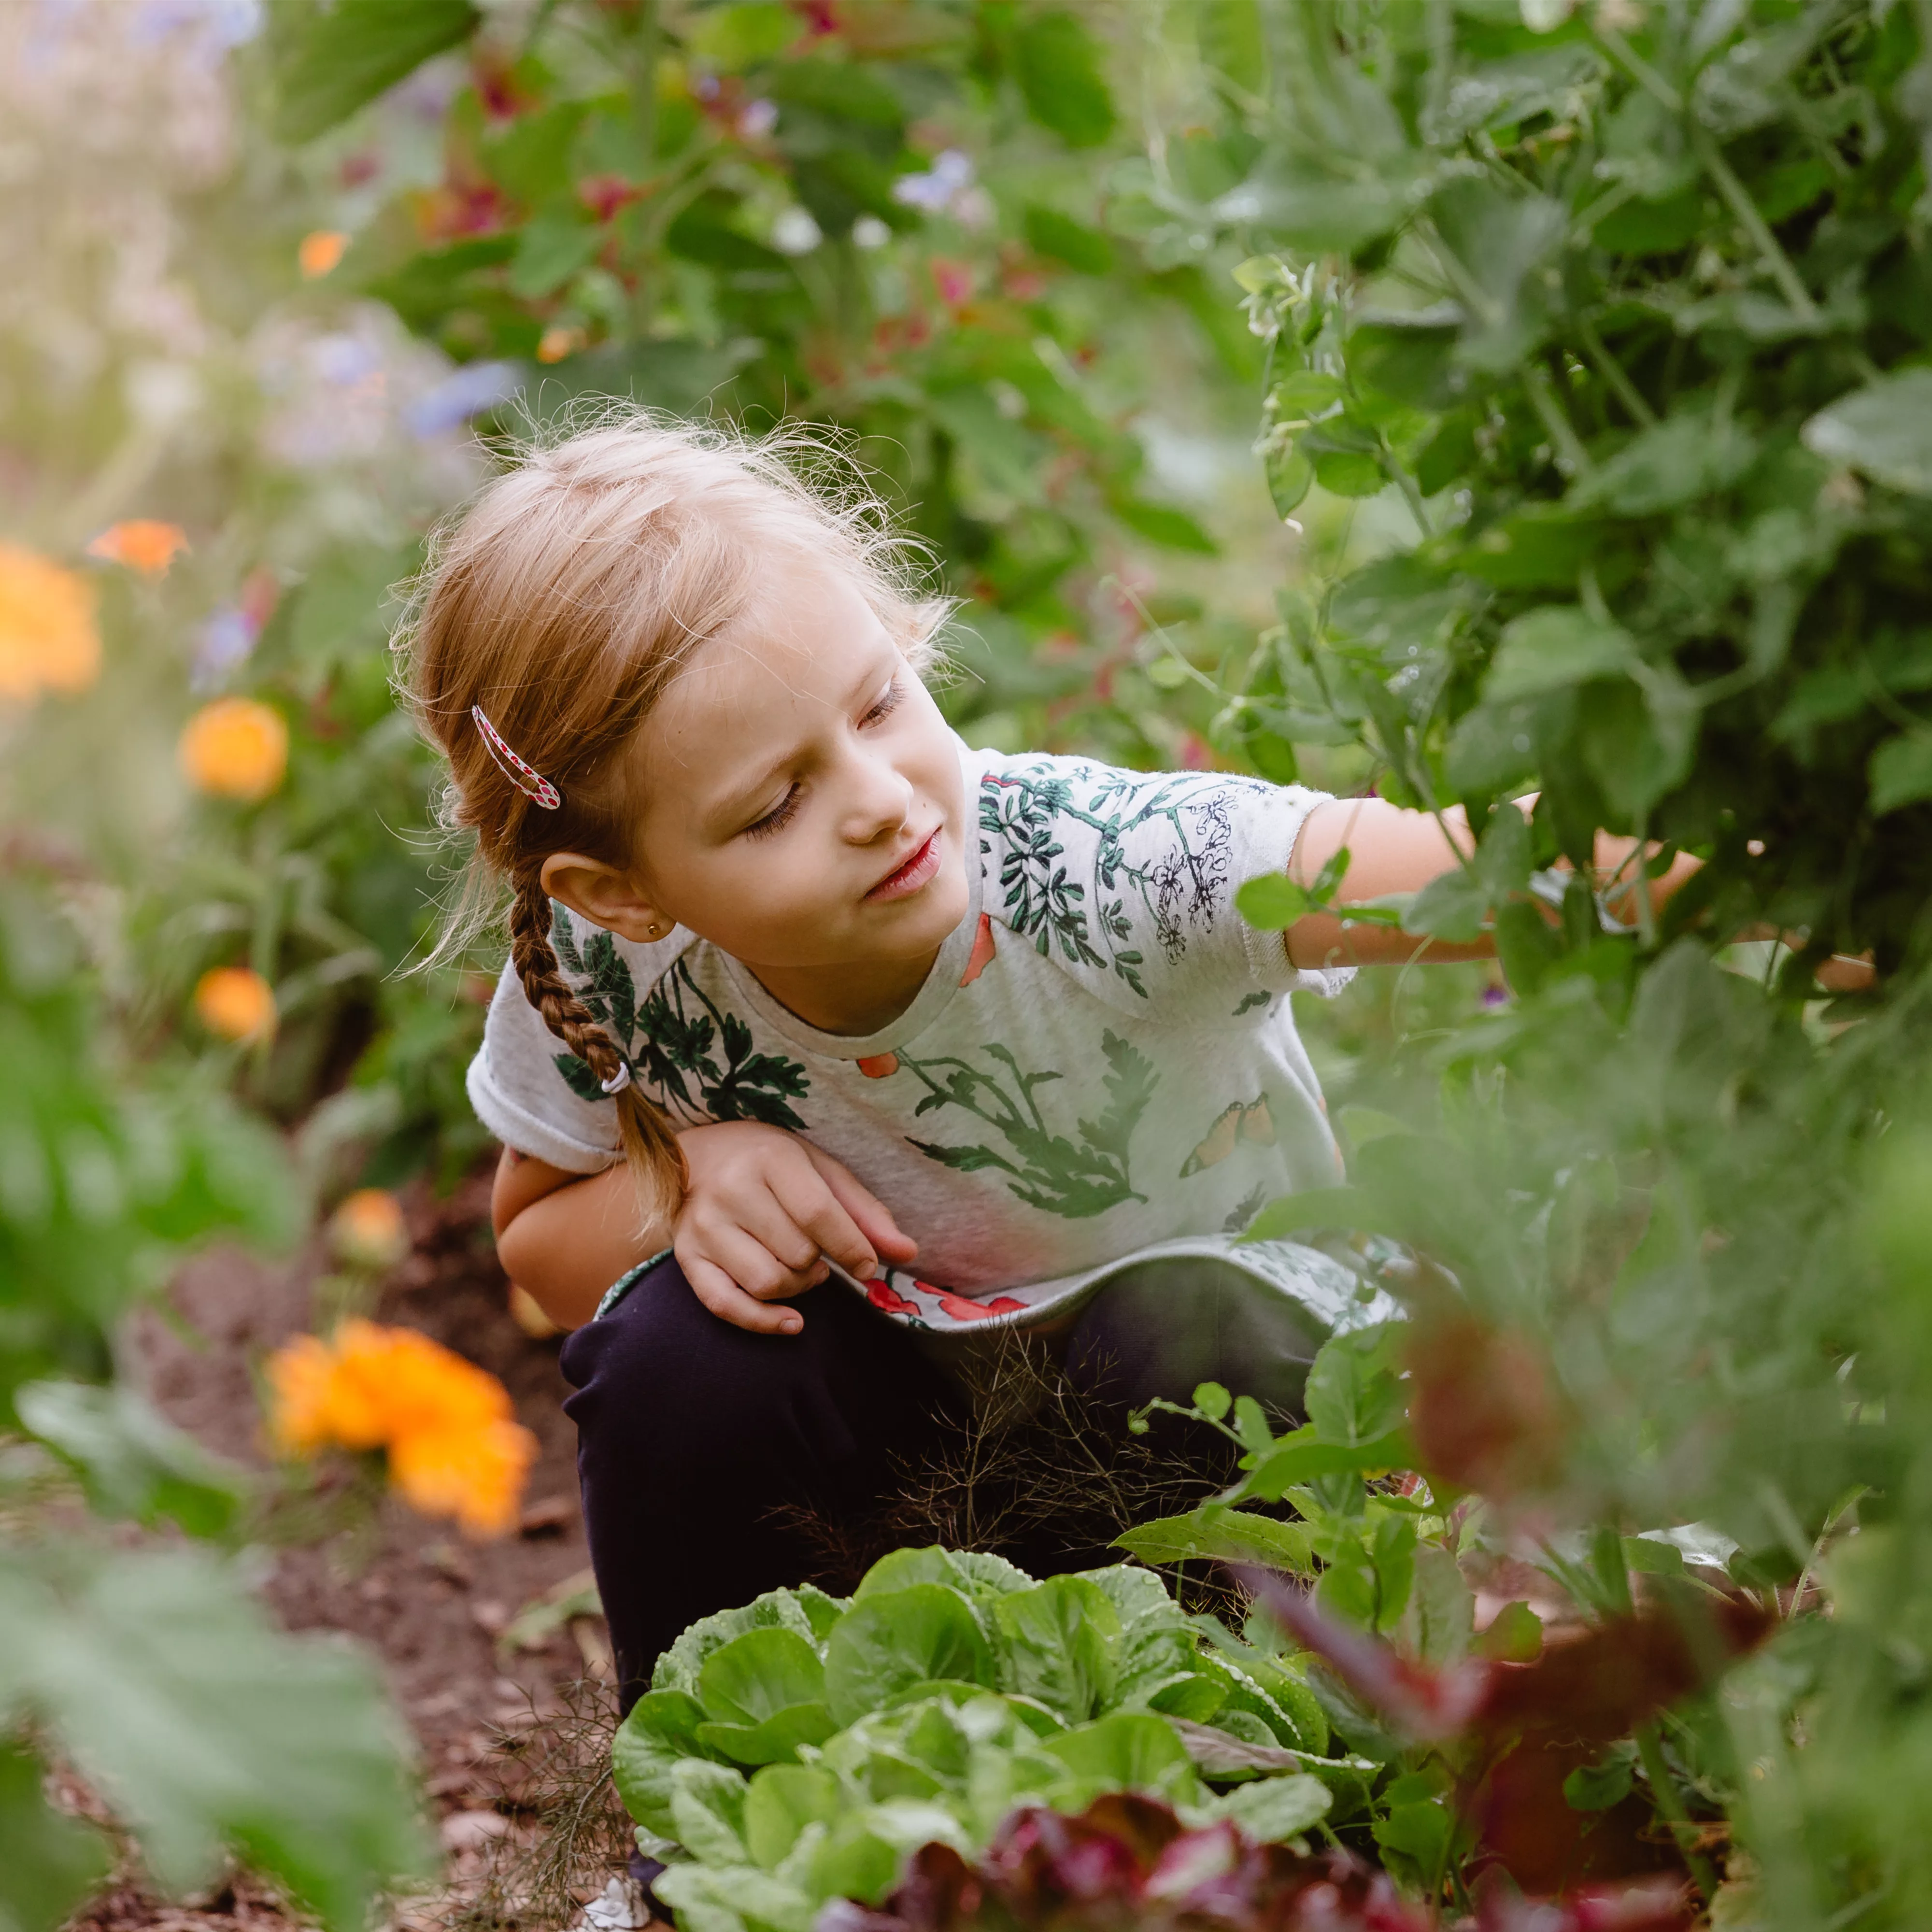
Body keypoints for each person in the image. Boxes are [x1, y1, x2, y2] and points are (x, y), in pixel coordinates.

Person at [402, 413, 1649, 1706]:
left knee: (1177, 1332)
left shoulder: (1104, 876)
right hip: (907, 1490)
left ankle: (1270, 1760)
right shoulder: (610, 970)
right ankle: (736, 1782)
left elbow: (1470, 870)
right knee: (675, 1358)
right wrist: (691, 1182)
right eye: (775, 806)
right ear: (618, 892)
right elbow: (540, 1247)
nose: (880, 797)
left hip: (1228, 1449)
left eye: (881, 703)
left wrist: (1768, 885)